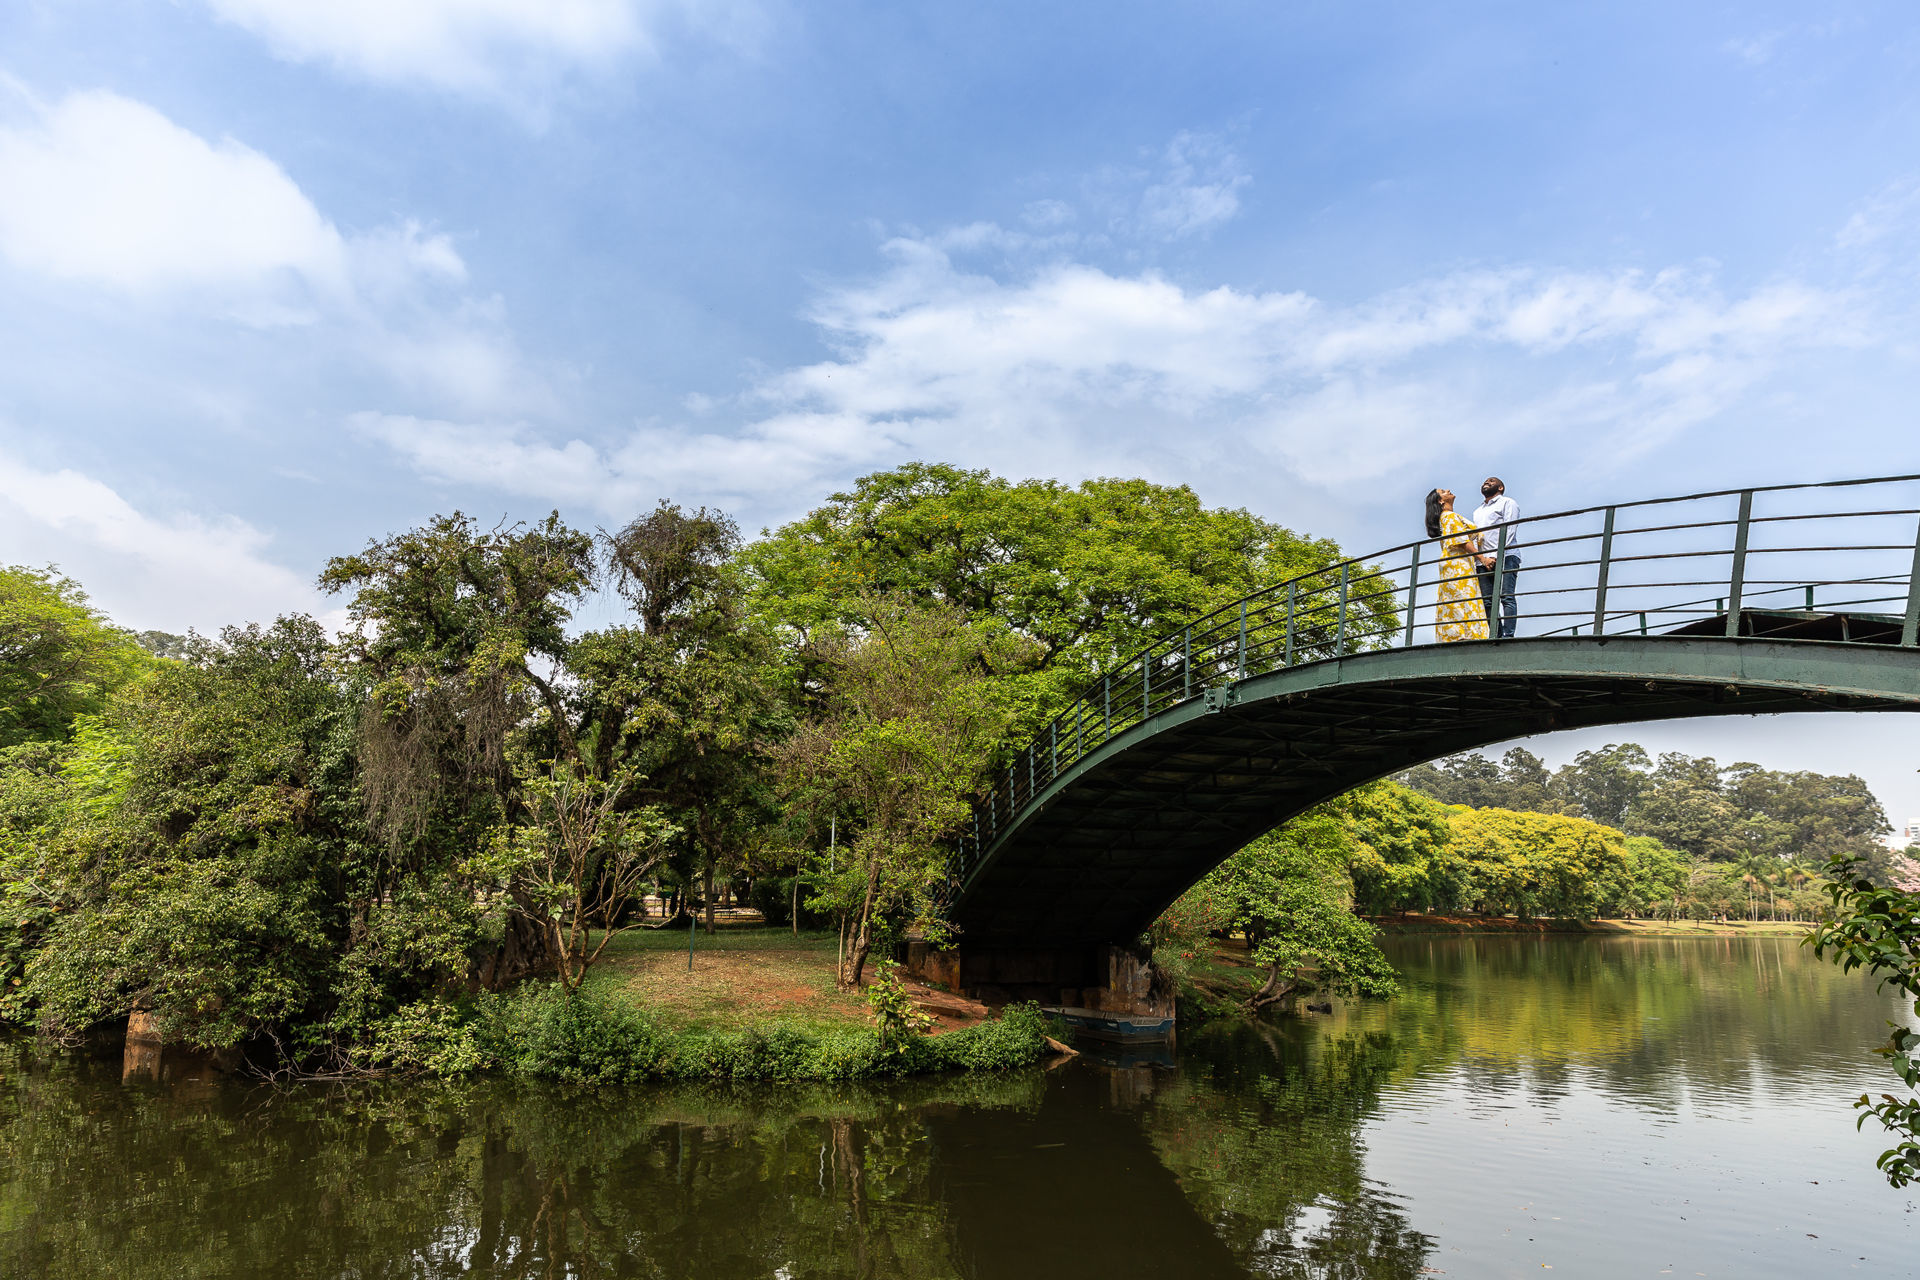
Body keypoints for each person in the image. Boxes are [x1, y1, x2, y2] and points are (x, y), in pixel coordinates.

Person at [1425, 487, 1489, 643]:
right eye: (1443, 491)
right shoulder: (1449, 516)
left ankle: (1454, 635)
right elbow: (1461, 541)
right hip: (1458, 564)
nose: (1448, 490)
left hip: (1455, 563)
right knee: (1463, 597)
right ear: (1441, 501)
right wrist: (1483, 559)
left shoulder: (1445, 518)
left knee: (1455, 599)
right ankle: (1464, 635)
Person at [1472, 476, 1520, 638]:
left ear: (1500, 487)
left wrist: (1495, 555)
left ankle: (1508, 635)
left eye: (1491, 481)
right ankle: (1496, 635)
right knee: (1487, 602)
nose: (1487, 482)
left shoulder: (1507, 503)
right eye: (1485, 481)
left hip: (1506, 555)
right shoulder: (1478, 511)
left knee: (1506, 596)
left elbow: (1509, 529)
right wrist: (1481, 559)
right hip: (1483, 561)